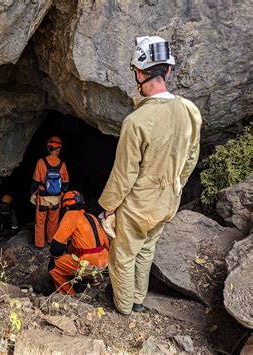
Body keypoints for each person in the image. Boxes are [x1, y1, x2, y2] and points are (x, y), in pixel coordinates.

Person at [98, 36, 202, 314]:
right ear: (167, 71)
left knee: (123, 255)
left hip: (139, 204)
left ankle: (123, 308)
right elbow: (191, 157)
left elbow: (124, 173)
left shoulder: (136, 122)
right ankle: (138, 301)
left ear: (139, 73)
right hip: (168, 200)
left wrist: (109, 208)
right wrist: (176, 185)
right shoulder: (190, 110)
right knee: (146, 250)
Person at [49, 191, 110, 295]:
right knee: (74, 249)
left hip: (88, 263)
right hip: (104, 261)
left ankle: (69, 296)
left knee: (54, 267)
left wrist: (56, 255)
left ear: (66, 207)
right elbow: (106, 243)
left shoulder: (71, 215)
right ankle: (90, 279)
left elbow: (56, 247)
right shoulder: (92, 217)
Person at [30, 136, 69, 249]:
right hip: (56, 198)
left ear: (48, 148)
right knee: (53, 221)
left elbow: (35, 181)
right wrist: (60, 195)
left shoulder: (41, 162)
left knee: (40, 221)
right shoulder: (62, 165)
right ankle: (51, 241)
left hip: (42, 196)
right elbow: (65, 184)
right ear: (58, 149)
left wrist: (32, 193)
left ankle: (39, 245)